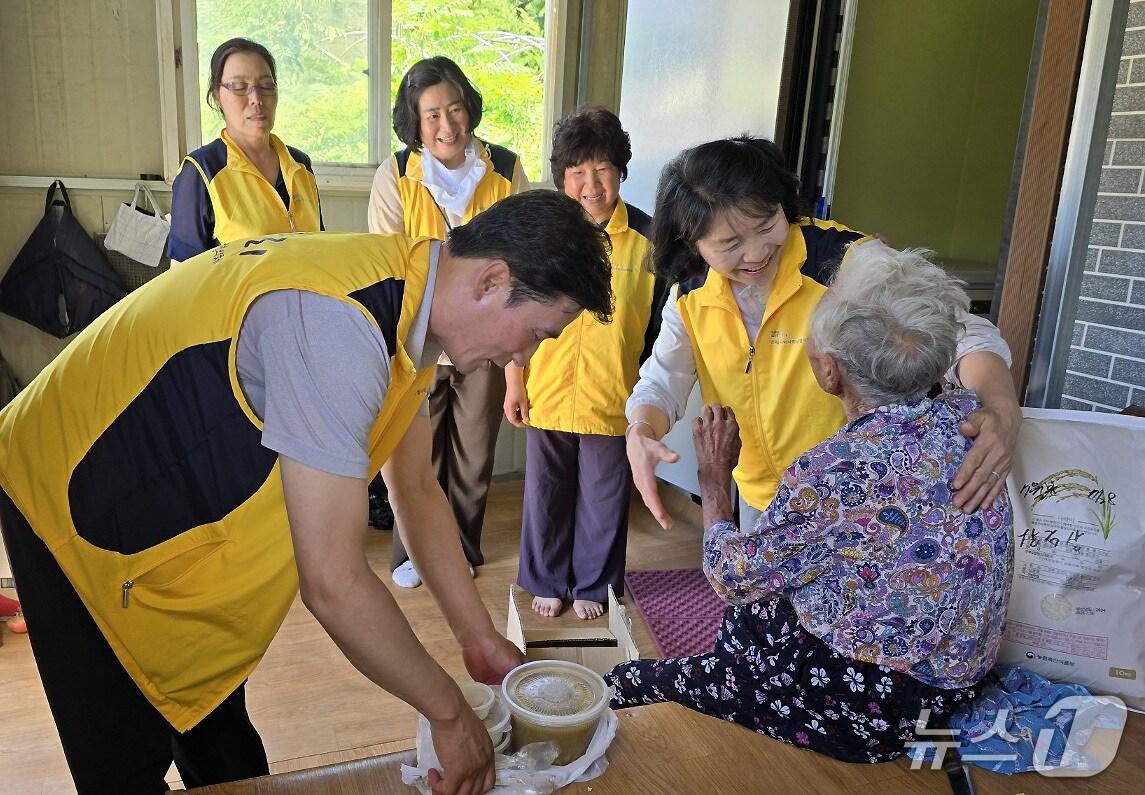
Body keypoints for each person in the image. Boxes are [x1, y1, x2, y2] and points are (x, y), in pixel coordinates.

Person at [0, 190, 613, 794]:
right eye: (536, 332)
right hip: (61, 499)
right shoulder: (339, 324)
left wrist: (476, 638)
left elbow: (417, 491)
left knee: (214, 719)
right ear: (491, 281)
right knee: (122, 754)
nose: (523, 356)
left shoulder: (412, 298)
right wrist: (448, 713)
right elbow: (334, 584)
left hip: (168, 502)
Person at [607, 244, 1015, 763]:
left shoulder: (835, 470)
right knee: (788, 578)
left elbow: (731, 577)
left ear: (828, 372)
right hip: (958, 686)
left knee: (746, 616)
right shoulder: (971, 422)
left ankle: (645, 685)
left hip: (881, 712)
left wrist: (713, 482)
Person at [625, 136, 1021, 533]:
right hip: (760, 497)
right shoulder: (691, 291)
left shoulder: (843, 259)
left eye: (767, 226)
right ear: (690, 241)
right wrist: (641, 430)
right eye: (730, 244)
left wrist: (1002, 410)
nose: (757, 253)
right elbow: (663, 379)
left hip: (853, 492)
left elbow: (959, 329)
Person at [369, 56, 530, 589]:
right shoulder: (396, 174)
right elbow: (387, 261)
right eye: (432, 114)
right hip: (420, 336)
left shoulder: (505, 168)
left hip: (487, 337)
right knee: (416, 449)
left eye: (455, 109)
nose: (447, 126)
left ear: (470, 109)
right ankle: (411, 552)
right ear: (415, 122)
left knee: (474, 446)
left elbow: (525, 257)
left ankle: (460, 548)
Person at [504, 107, 665, 620]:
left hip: (611, 390)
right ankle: (546, 579)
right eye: (578, 172)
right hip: (547, 384)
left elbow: (662, 327)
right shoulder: (545, 235)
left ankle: (595, 584)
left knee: (603, 495)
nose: (590, 184)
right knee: (545, 493)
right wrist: (514, 377)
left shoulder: (649, 240)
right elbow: (514, 311)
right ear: (563, 176)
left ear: (620, 170)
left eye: (602, 169)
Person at [167, 38, 323, 263]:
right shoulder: (201, 171)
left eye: (266, 86)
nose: (256, 99)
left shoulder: (300, 165)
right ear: (217, 97)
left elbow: (319, 248)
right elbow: (182, 276)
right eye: (239, 87)